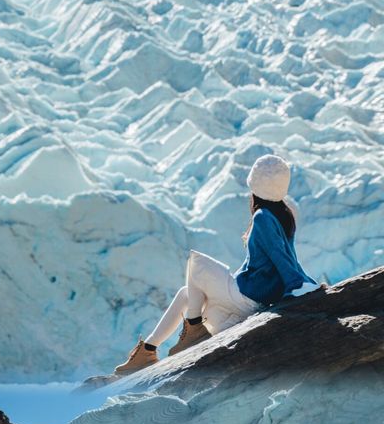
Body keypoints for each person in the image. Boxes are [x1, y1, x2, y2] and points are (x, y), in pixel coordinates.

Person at [114, 154, 320, 376]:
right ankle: (148, 351)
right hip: (250, 300)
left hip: (245, 296)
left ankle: (193, 328)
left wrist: (297, 284)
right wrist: (303, 283)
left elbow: (281, 257)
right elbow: (287, 256)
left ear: (256, 185)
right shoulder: (284, 214)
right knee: (186, 293)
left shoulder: (262, 217)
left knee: (196, 264)